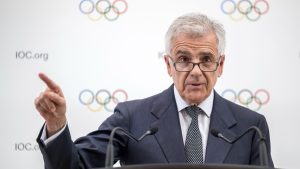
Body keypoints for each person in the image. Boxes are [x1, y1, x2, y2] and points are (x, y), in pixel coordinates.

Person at [35, 13, 274, 169]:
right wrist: (56, 125)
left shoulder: (251, 127)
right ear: (168, 65)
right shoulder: (131, 118)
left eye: (206, 59)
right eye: (183, 59)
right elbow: (73, 166)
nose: (196, 71)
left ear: (220, 65)